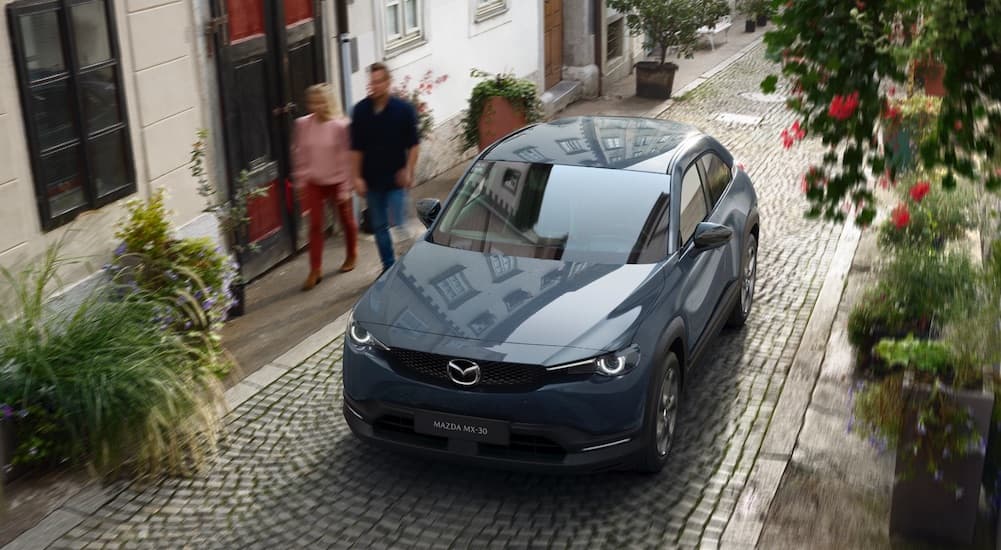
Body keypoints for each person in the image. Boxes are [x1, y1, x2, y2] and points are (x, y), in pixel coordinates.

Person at [350, 62, 420, 274]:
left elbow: (414, 145)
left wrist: (408, 170)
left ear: (388, 82)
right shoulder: (361, 111)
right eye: (372, 82)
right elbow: (356, 148)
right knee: (379, 227)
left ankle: (407, 267)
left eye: (380, 81)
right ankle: (389, 268)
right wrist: (357, 177)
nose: (375, 86)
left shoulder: (403, 110)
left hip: (396, 179)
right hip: (371, 180)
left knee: (399, 225)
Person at [292, 83, 357, 291]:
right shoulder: (302, 124)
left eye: (321, 101)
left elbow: (347, 158)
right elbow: (300, 154)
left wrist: (346, 187)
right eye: (313, 101)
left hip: (337, 180)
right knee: (315, 224)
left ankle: (352, 253)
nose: (316, 106)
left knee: (346, 219)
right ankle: (315, 269)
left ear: (328, 102)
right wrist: (301, 181)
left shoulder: (340, 126)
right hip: (314, 181)